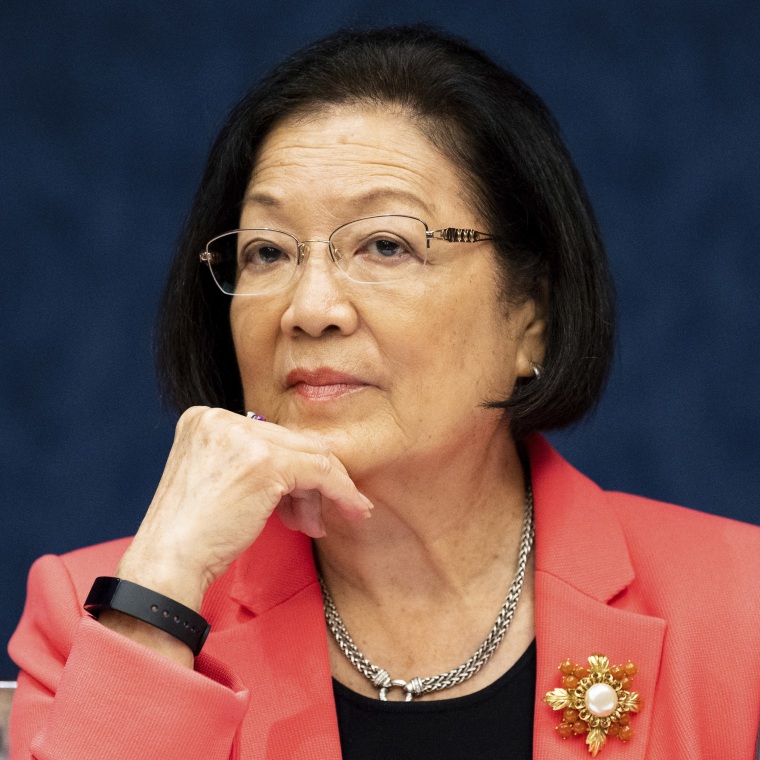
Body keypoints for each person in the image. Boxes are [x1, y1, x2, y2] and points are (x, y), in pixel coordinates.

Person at [8, 25, 760, 760]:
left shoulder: (739, 607)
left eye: (385, 245)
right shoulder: (96, 619)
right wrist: (161, 595)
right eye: (268, 251)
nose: (308, 309)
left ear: (531, 314)